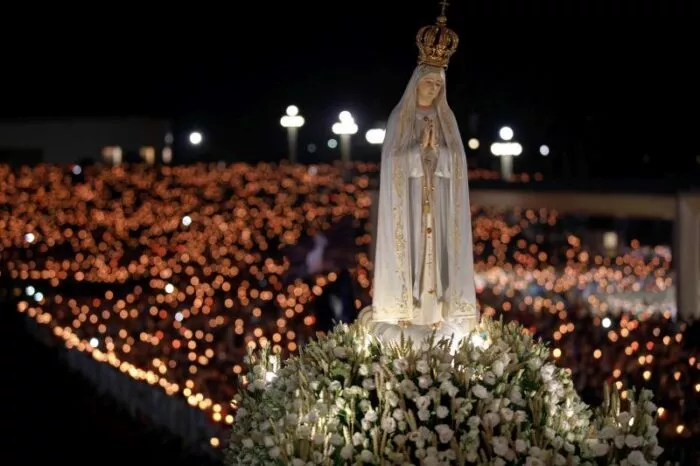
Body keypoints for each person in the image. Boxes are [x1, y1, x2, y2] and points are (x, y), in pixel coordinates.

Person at [366, 1, 479, 333]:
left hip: (438, 203)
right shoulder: (399, 119)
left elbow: (456, 162)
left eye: (439, 85)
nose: (434, 88)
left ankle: (437, 309)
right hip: (411, 202)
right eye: (429, 83)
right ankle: (405, 306)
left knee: (437, 253)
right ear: (417, 82)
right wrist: (419, 151)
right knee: (413, 252)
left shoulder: (446, 119)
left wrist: (438, 154)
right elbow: (392, 163)